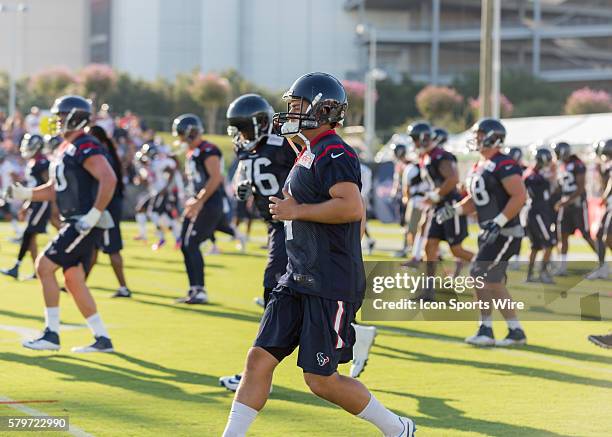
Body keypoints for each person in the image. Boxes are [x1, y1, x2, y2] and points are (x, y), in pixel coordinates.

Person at [221, 72, 416, 437]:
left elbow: (351, 206)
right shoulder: (310, 150)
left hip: (329, 280)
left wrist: (297, 211)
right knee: (258, 359)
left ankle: (397, 428)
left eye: (296, 106)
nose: (290, 112)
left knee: (320, 379)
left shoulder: (336, 151)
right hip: (297, 273)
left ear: (320, 109)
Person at [7, 94, 116, 352]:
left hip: (82, 221)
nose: (57, 122)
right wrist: (26, 194)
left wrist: (92, 215)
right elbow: (57, 189)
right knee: (73, 279)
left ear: (75, 118)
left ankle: (51, 334)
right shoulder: (65, 147)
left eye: (61, 117)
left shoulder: (85, 145)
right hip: (75, 220)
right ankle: (102, 338)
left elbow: (108, 179)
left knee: (43, 266)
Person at [218, 93, 296, 392]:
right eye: (238, 130)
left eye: (246, 129)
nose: (242, 136)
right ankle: (356, 332)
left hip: (293, 225)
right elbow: (242, 175)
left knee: (273, 289)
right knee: (297, 298)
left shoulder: (283, 143)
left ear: (262, 123)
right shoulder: (245, 150)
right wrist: (242, 187)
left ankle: (256, 374)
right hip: (276, 226)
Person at [437, 118, 527, 347]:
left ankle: (487, 329)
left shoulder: (503, 163)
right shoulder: (480, 165)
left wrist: (498, 221)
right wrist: (454, 211)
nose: (476, 139)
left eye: (480, 135)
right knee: (492, 282)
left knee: (479, 274)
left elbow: (519, 196)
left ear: (493, 137)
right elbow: (476, 201)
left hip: (506, 232)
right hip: (492, 232)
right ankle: (513, 331)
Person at [409, 121, 473, 301]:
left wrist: (436, 196)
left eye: (415, 139)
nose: (413, 143)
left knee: (457, 250)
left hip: (449, 206)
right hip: (438, 206)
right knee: (429, 247)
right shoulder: (428, 156)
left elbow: (453, 179)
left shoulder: (440, 156)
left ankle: (489, 270)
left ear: (423, 138)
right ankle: (428, 291)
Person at [173, 113, 225, 304]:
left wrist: (199, 201)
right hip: (198, 201)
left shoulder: (208, 149)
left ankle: (200, 290)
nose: (179, 138)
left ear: (190, 132)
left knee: (192, 243)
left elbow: (215, 177)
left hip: (209, 203)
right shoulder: (192, 152)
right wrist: (192, 200)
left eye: (181, 134)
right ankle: (194, 289)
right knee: (185, 245)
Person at [86, 125, 131, 298]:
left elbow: (107, 183)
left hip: (107, 208)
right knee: (93, 248)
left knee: (112, 248)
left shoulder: (102, 156)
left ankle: (124, 287)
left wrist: (100, 207)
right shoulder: (106, 154)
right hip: (105, 206)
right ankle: (79, 283)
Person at [1, 134, 50, 280]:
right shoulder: (33, 162)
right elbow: (31, 188)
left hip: (42, 203)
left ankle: (16, 266)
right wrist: (26, 205)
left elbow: (49, 185)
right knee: (31, 238)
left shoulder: (43, 163)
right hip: (35, 202)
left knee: (28, 234)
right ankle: (37, 270)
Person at [552, 141, 598, 276]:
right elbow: (563, 185)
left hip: (577, 204)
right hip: (566, 205)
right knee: (562, 235)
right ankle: (562, 266)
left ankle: (602, 263)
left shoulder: (577, 164)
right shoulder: (563, 166)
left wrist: (566, 200)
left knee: (586, 234)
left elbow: (581, 187)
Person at [524, 148, 557, 283]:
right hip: (538, 213)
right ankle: (543, 273)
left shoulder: (533, 174)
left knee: (535, 247)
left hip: (536, 212)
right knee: (549, 243)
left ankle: (530, 275)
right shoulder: (535, 176)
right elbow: (546, 181)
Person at [587, 139, 612, 280]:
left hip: (610, 203)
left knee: (606, 237)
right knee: (600, 235)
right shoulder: (606, 165)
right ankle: (602, 267)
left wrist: (604, 196)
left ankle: (603, 267)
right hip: (609, 204)